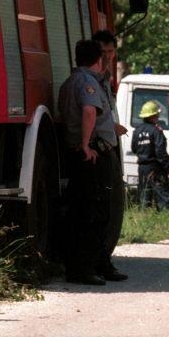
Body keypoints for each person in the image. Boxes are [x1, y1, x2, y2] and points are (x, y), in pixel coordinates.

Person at [57, 39, 128, 285]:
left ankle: (98, 264)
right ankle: (83, 269)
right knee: (93, 213)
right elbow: (89, 111)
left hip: (87, 152)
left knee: (90, 211)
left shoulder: (72, 81)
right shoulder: (87, 83)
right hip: (92, 154)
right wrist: (87, 144)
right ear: (98, 59)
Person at [92, 29, 128, 262]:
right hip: (98, 148)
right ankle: (99, 259)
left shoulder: (105, 80)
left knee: (109, 208)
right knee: (100, 210)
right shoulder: (92, 80)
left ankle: (103, 258)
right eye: (103, 52)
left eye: (111, 52)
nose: (107, 56)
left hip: (108, 145)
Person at [131, 100, 169, 210]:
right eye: (157, 114)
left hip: (142, 168)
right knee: (164, 196)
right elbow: (160, 152)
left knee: (144, 196)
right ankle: (165, 220)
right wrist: (167, 167)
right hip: (156, 168)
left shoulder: (137, 131)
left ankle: (144, 219)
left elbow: (134, 148)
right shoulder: (156, 131)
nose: (158, 117)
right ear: (153, 115)